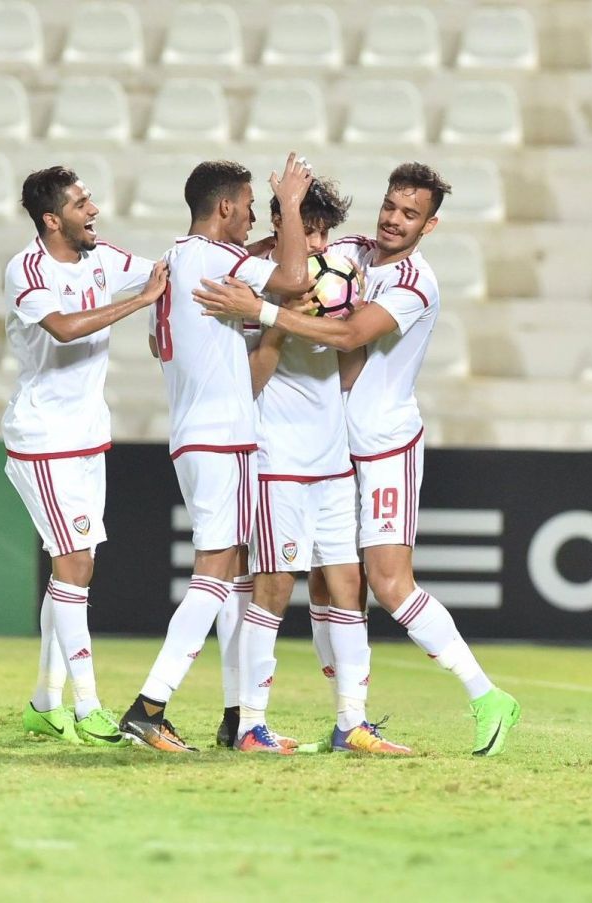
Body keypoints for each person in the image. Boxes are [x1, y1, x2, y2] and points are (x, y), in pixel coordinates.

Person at [194, 162, 521, 757]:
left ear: (430, 224)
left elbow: (348, 337)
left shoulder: (416, 282)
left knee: (389, 584)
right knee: (330, 586)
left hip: (385, 446)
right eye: (391, 206)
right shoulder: (351, 252)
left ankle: (487, 696)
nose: (395, 220)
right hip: (336, 451)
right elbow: (290, 258)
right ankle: (348, 722)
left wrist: (263, 310)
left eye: (410, 213)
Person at [117, 152, 313, 752]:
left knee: (229, 581)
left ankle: (236, 718)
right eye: (251, 205)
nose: (254, 214)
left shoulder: (175, 261)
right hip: (223, 435)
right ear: (225, 206)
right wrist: (293, 208)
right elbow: (294, 281)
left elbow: (163, 339)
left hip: (195, 433)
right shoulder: (218, 261)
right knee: (216, 573)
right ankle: (150, 706)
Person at [227, 176, 411, 754]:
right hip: (276, 456)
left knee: (348, 583)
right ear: (279, 224)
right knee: (275, 586)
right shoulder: (251, 280)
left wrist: (335, 328)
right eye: (308, 228)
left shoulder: (338, 276)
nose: (318, 242)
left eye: (325, 231)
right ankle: (251, 723)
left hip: (330, 457)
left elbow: (350, 360)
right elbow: (250, 382)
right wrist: (279, 317)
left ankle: (350, 722)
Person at [3, 165, 167, 746]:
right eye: (81, 203)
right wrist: (139, 302)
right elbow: (65, 329)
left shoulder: (102, 257)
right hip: (43, 440)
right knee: (74, 567)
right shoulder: (27, 270)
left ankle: (46, 703)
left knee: (72, 570)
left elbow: (165, 271)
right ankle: (89, 707)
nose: (93, 210)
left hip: (86, 438)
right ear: (52, 219)